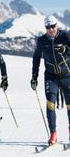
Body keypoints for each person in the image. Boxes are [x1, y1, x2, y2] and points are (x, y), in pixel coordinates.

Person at [31, 15, 70, 145]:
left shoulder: (65, 36)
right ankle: (53, 133)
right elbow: (36, 58)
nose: (51, 29)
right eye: (48, 27)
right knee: (50, 104)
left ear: (56, 25)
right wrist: (34, 77)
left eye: (53, 26)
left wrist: (66, 49)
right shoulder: (41, 40)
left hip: (67, 75)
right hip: (51, 76)